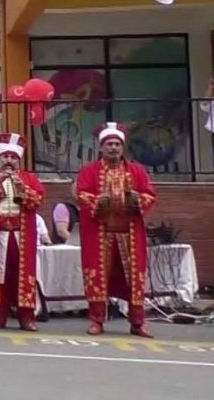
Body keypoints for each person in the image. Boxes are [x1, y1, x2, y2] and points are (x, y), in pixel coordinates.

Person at [75, 122, 157, 338]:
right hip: (101, 235)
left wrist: (138, 200)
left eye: (117, 144)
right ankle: (97, 320)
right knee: (97, 276)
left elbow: (150, 194)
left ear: (122, 147)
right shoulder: (89, 171)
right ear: (101, 147)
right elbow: (81, 193)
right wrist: (97, 201)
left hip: (129, 235)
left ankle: (137, 322)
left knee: (134, 278)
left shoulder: (137, 170)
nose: (113, 148)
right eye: (109, 144)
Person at [0, 133, 45, 331]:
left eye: (13, 157)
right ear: (0, 158)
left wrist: (21, 188)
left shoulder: (29, 179)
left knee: (23, 276)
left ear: (18, 160)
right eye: (6, 156)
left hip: (22, 235)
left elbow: (37, 200)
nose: (9, 161)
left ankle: (26, 316)